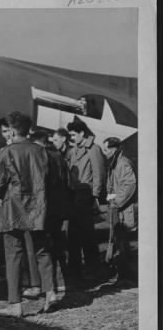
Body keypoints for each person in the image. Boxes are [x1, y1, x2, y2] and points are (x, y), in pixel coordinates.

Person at [0, 113, 57, 317]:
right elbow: (51, 180)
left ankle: (15, 304)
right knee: (42, 250)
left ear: (12, 129)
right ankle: (50, 292)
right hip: (39, 207)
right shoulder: (42, 152)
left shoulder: (7, 152)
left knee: (13, 254)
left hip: (14, 208)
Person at [66, 119, 106, 281]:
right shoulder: (73, 150)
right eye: (70, 135)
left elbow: (99, 174)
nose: (72, 137)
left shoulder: (93, 150)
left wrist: (96, 196)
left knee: (87, 235)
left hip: (86, 194)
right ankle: (74, 270)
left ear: (82, 133)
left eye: (74, 134)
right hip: (73, 195)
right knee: (73, 234)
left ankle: (93, 269)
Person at [32, 130, 71, 290]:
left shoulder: (43, 157)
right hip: (60, 206)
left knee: (44, 247)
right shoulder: (58, 157)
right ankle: (62, 280)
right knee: (58, 244)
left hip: (46, 207)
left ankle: (48, 283)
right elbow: (68, 183)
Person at [103, 137, 137, 280]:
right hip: (118, 210)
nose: (104, 153)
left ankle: (127, 276)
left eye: (106, 150)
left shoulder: (123, 164)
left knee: (124, 244)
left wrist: (116, 200)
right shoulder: (115, 163)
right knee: (118, 242)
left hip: (123, 211)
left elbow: (130, 185)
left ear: (113, 149)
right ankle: (122, 274)